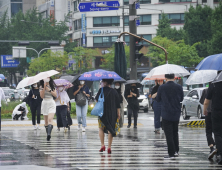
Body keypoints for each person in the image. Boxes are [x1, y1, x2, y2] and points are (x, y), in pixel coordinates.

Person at [156, 74, 183, 160]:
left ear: (165, 78)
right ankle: (176, 151)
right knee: (175, 132)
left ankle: (171, 153)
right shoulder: (179, 87)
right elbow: (181, 99)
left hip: (166, 113)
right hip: (176, 113)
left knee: (169, 134)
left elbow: (158, 99)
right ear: (174, 78)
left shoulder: (162, 87)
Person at [95, 79, 120, 154]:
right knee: (110, 129)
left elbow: (96, 100)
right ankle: (109, 147)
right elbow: (117, 104)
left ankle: (102, 145)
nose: (102, 83)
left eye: (102, 81)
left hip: (102, 113)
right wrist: (118, 113)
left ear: (105, 82)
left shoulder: (101, 90)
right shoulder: (114, 91)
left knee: (101, 129)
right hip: (112, 113)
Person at [204, 81, 222, 165]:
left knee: (217, 133)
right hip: (215, 112)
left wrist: (204, 110)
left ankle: (219, 153)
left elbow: (205, 102)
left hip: (215, 112)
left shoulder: (213, 86)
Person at [200, 86, 217, 159]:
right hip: (217, 113)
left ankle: (212, 147)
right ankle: (218, 149)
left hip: (208, 113)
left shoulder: (206, 90)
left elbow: (203, 101)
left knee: (208, 131)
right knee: (217, 132)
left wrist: (204, 110)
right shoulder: (218, 89)